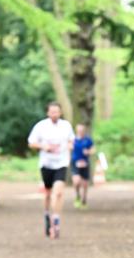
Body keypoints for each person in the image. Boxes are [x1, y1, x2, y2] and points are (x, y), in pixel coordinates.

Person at [27, 102, 75, 239]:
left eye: (57, 112)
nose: (54, 114)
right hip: (46, 164)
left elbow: (72, 140)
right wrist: (44, 146)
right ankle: (47, 214)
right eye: (52, 112)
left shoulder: (66, 126)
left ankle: (56, 219)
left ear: (60, 113)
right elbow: (31, 142)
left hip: (62, 163)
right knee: (48, 193)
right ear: (48, 113)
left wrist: (70, 146)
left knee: (58, 193)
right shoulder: (41, 126)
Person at [71, 123, 95, 209]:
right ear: (76, 130)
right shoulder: (73, 139)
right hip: (75, 162)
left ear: (84, 131)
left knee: (85, 183)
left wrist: (88, 152)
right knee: (76, 181)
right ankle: (77, 195)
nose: (80, 131)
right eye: (79, 130)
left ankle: (84, 199)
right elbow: (67, 147)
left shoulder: (88, 140)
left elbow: (93, 150)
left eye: (82, 130)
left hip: (85, 163)